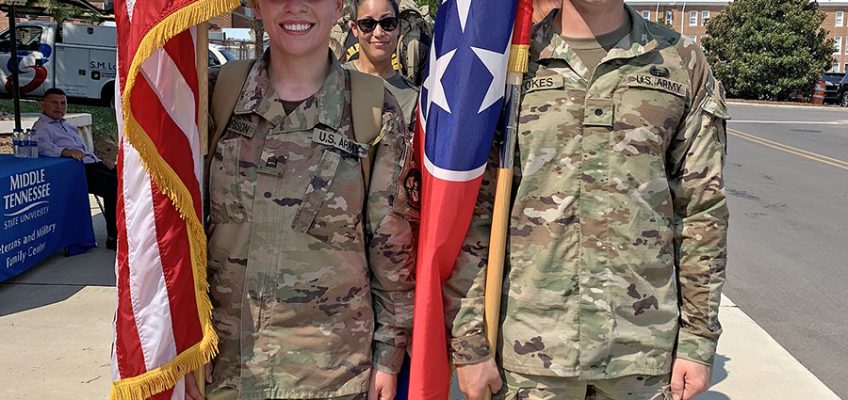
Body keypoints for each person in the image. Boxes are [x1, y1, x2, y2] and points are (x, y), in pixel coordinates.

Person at [445, 1, 729, 400]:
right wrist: (469, 341)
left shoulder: (680, 61)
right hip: (532, 356)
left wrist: (698, 342)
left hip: (642, 355)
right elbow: (472, 210)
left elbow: (701, 212)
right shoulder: (509, 61)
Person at [185, 0, 418, 398]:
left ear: (338, 6)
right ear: (258, 5)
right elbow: (173, 229)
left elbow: (390, 246)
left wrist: (388, 354)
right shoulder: (215, 93)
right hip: (223, 370)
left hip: (332, 373)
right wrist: (183, 335)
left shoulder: (372, 107)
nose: (296, 6)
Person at [32, 88, 118, 250]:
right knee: (113, 185)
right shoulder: (42, 127)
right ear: (42, 104)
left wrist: (100, 160)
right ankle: (114, 236)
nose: (59, 107)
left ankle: (129, 229)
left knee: (126, 177)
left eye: (63, 103)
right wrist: (64, 151)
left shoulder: (67, 126)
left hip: (91, 164)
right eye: (54, 103)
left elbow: (84, 150)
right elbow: (42, 147)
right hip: (75, 171)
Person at [343, 0, 419, 128]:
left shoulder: (413, 98)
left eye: (387, 23)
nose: (378, 33)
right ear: (355, 29)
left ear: (398, 27)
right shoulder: (334, 81)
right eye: (368, 24)